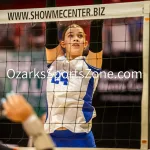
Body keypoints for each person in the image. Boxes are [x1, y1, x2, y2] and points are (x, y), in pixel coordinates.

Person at [43, 1, 103, 147]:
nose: (76, 38)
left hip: (81, 137)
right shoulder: (55, 61)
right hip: (52, 136)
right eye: (71, 35)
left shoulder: (90, 65)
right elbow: (50, 28)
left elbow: (97, 28)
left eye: (80, 36)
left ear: (85, 43)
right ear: (62, 43)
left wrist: (99, 5)